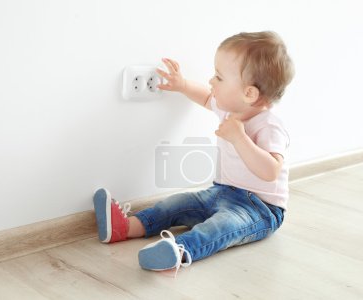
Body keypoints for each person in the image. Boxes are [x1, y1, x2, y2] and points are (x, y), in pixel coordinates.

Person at [93, 31, 294, 274]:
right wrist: (182, 85)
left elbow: (270, 171)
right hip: (222, 191)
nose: (211, 81)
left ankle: (178, 250)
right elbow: (207, 97)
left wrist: (240, 139)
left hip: (259, 208)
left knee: (221, 227)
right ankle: (126, 227)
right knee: (178, 204)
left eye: (219, 77)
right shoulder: (231, 109)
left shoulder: (268, 125)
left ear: (249, 93)